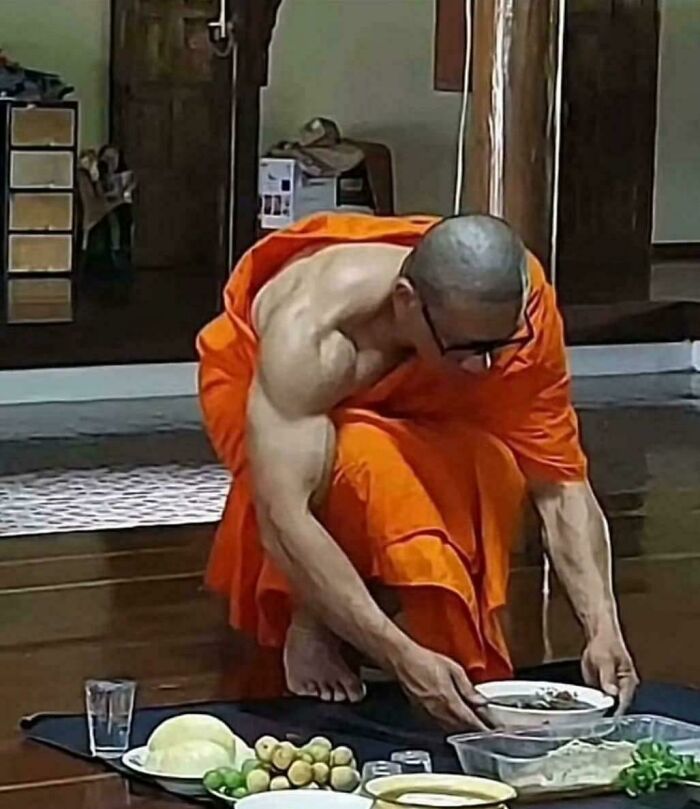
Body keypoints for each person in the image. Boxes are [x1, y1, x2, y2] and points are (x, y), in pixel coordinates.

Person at [197, 212, 638, 729]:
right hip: (269, 383)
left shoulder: (521, 312)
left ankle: (355, 621)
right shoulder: (310, 334)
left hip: (417, 373)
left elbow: (560, 482)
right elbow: (285, 517)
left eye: (499, 346)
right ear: (407, 301)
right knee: (365, 465)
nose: (484, 369)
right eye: (468, 348)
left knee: (488, 467)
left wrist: (603, 627)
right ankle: (313, 622)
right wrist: (399, 655)